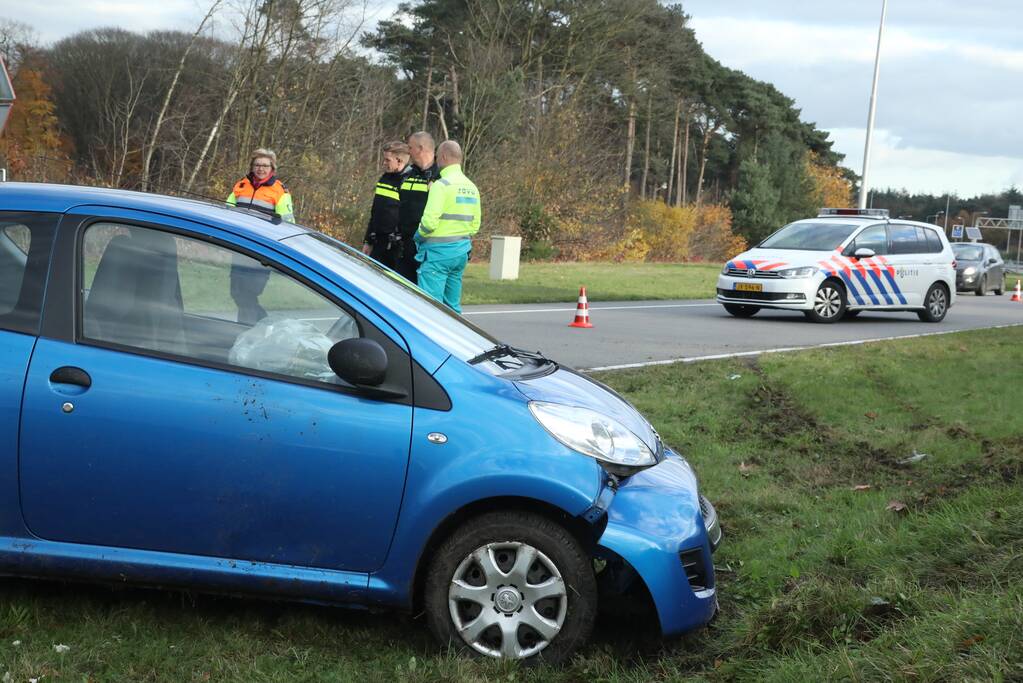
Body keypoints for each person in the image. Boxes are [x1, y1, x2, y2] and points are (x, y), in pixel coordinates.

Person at [226, 149, 294, 324]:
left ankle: (248, 328)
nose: (260, 169)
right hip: (239, 246)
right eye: (257, 165)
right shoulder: (241, 185)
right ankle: (258, 325)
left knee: (248, 294)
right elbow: (225, 212)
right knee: (236, 293)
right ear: (252, 166)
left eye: (265, 165)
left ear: (272, 168)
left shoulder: (280, 191)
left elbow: (287, 224)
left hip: (261, 249)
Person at [414, 140, 480, 313]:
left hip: (437, 255)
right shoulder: (472, 187)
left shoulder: (441, 186)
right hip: (461, 253)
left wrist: (418, 236)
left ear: (443, 157)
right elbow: (475, 226)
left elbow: (428, 223)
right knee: (452, 308)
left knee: (430, 308)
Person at [395, 131, 440, 284]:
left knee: (425, 298)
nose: (408, 152)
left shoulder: (440, 176)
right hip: (404, 248)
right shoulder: (407, 175)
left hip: (428, 249)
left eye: (410, 148)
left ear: (420, 149)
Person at [361, 141, 410, 270]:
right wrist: (368, 240)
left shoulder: (409, 182)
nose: (384, 163)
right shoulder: (385, 178)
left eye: (387, 160)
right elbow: (375, 212)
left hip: (395, 248)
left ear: (399, 161)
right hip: (377, 243)